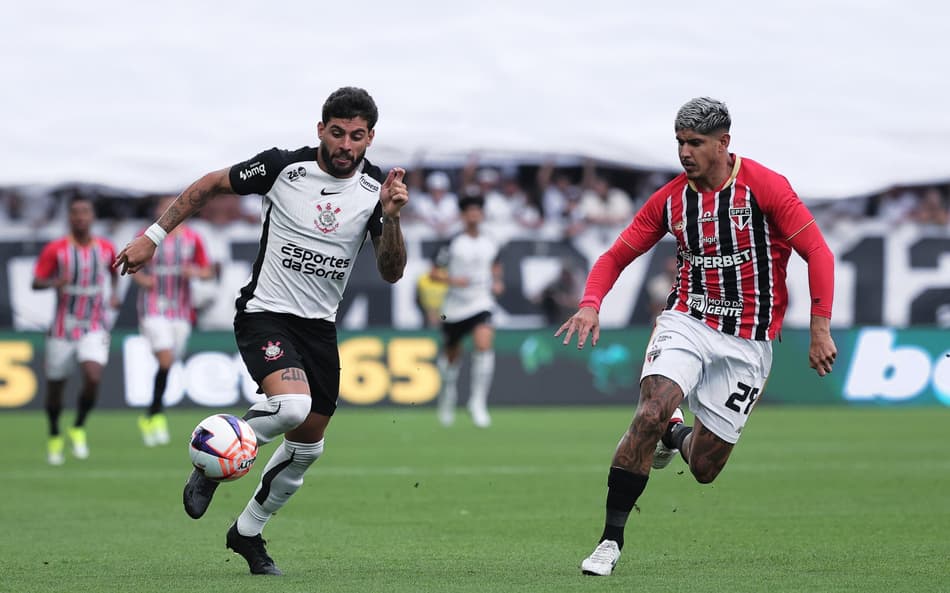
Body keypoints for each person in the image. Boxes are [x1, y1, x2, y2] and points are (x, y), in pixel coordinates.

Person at [115, 87, 409, 576]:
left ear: (370, 138)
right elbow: (209, 185)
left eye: (357, 137)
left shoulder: (375, 190)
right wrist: (152, 237)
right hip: (265, 313)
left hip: (319, 329)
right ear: (321, 129)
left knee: (308, 446)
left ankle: (247, 532)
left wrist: (393, 219)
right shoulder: (283, 168)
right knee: (292, 407)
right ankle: (213, 455)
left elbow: (392, 271)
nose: (345, 145)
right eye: (337, 133)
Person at [556, 97, 837, 576]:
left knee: (705, 467)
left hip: (748, 340)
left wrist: (819, 325)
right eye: (680, 142)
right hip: (688, 319)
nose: (685, 152)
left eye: (695, 143)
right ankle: (609, 540)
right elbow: (615, 256)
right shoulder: (670, 199)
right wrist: (589, 303)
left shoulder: (765, 188)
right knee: (650, 409)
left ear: (724, 144)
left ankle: (675, 433)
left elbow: (817, 251)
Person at [32, 196, 119, 465]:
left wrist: (114, 294)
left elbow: (115, 271)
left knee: (93, 376)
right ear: (69, 218)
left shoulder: (105, 248)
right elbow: (36, 282)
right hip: (62, 328)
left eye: (85, 212)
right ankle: (55, 432)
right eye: (76, 213)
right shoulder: (56, 249)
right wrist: (54, 282)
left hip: (94, 325)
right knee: (56, 387)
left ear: (92, 217)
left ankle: (78, 427)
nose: (80, 217)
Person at [132, 195, 215, 446]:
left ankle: (152, 413)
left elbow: (208, 270)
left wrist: (196, 272)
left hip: (181, 311)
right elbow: (131, 262)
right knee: (166, 359)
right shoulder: (147, 235)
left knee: (170, 362)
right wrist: (143, 280)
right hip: (153, 307)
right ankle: (155, 415)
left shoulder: (192, 239)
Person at [431, 195, 504, 428]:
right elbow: (433, 272)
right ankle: (448, 396)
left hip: (481, 302)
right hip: (454, 306)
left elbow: (496, 266)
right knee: (452, 358)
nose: (474, 215)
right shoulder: (452, 242)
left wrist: (497, 281)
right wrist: (453, 280)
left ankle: (478, 402)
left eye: (477, 211)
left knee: (484, 344)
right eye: (469, 211)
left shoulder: (491, 241)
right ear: (463, 216)